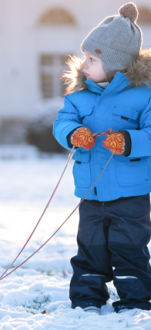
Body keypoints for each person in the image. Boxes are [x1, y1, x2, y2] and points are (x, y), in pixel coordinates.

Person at [53, 2, 151, 315]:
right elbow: (62, 121)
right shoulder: (78, 96)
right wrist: (72, 134)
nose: (84, 65)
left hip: (130, 193)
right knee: (90, 249)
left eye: (93, 59)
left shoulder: (143, 95)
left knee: (129, 248)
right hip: (91, 192)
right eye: (85, 57)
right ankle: (86, 298)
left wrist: (128, 140)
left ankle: (135, 299)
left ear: (116, 63)